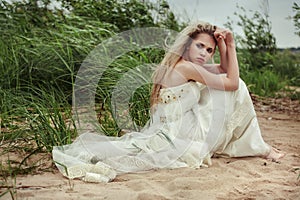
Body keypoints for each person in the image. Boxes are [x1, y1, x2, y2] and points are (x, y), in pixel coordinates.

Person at [52, 21, 284, 183]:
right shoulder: (188, 67)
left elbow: (224, 69)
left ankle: (255, 145)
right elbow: (232, 81)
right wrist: (231, 46)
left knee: (232, 85)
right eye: (199, 46)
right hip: (180, 133)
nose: (204, 53)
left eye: (209, 50)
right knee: (238, 86)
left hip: (175, 127)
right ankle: (258, 147)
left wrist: (222, 44)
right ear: (187, 45)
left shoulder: (185, 65)